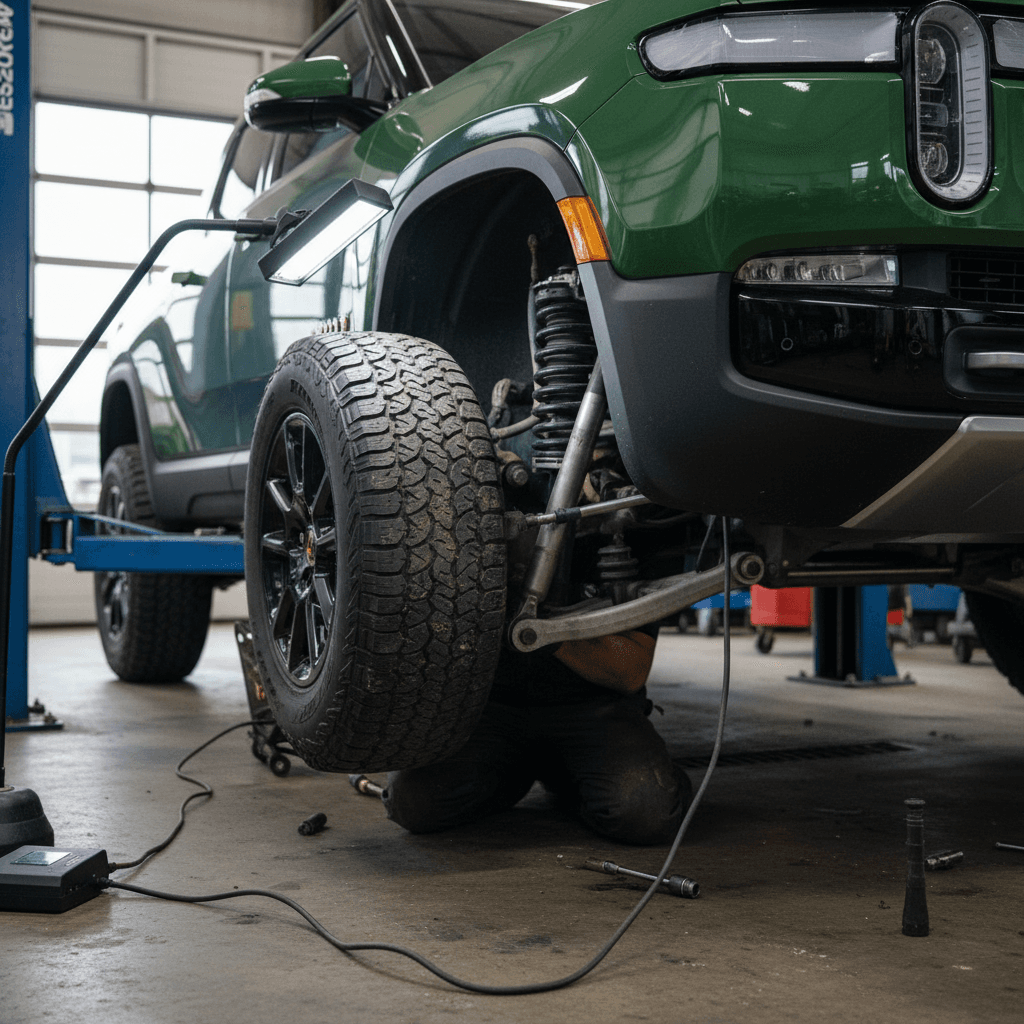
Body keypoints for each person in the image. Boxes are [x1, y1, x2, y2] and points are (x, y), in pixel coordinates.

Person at [382, 628, 692, 845]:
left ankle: (579, 779)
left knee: (646, 814)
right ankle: (515, 777)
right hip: (490, 708)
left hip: (593, 705)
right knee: (410, 804)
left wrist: (544, 631)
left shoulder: (622, 554)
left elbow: (631, 671)